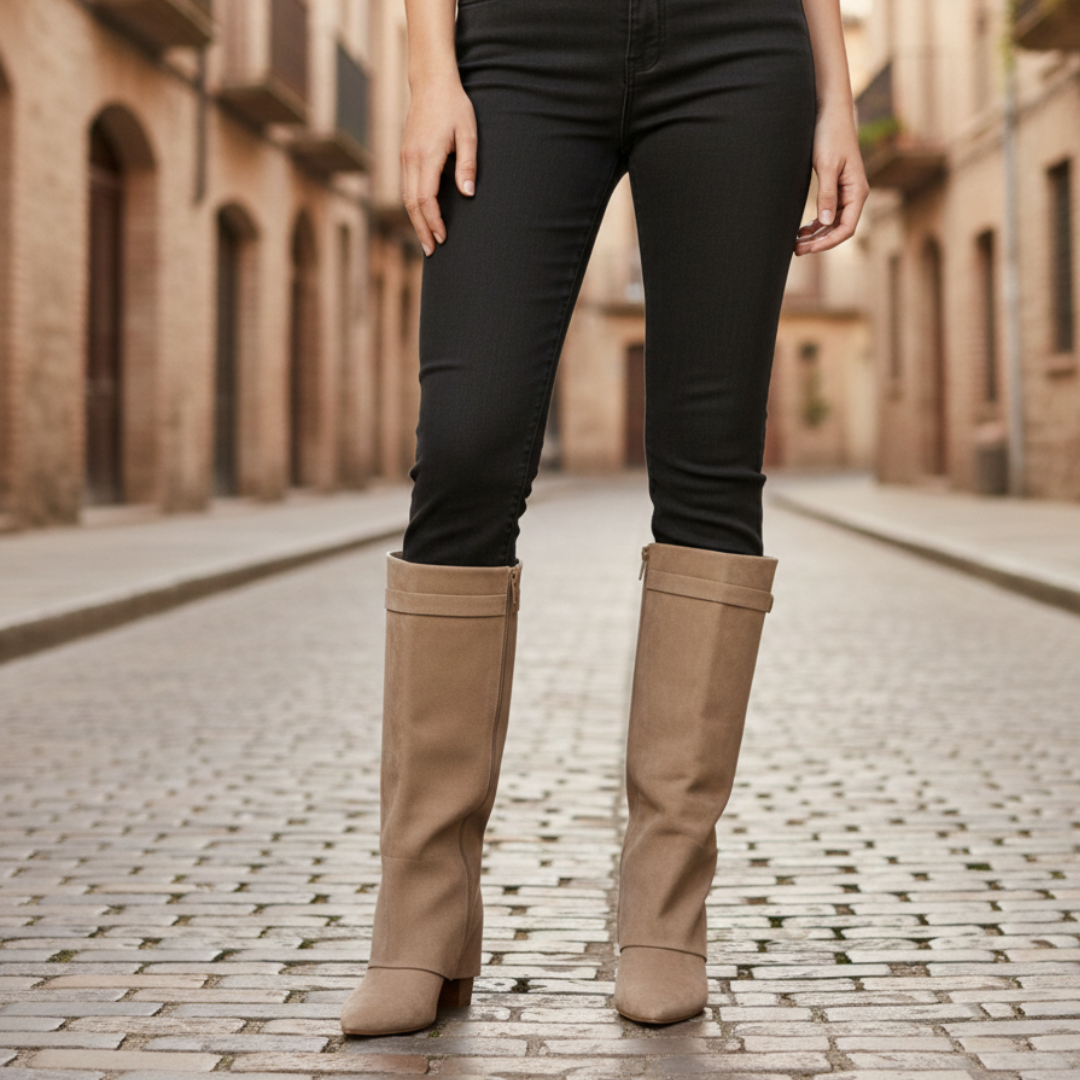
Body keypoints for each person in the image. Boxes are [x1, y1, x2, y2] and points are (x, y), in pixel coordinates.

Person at [341, 0, 868, 1035]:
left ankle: (666, 914)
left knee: (712, 461)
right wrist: (428, 72)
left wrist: (837, 94)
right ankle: (421, 917)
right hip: (517, 45)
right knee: (467, 443)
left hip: (738, 45)